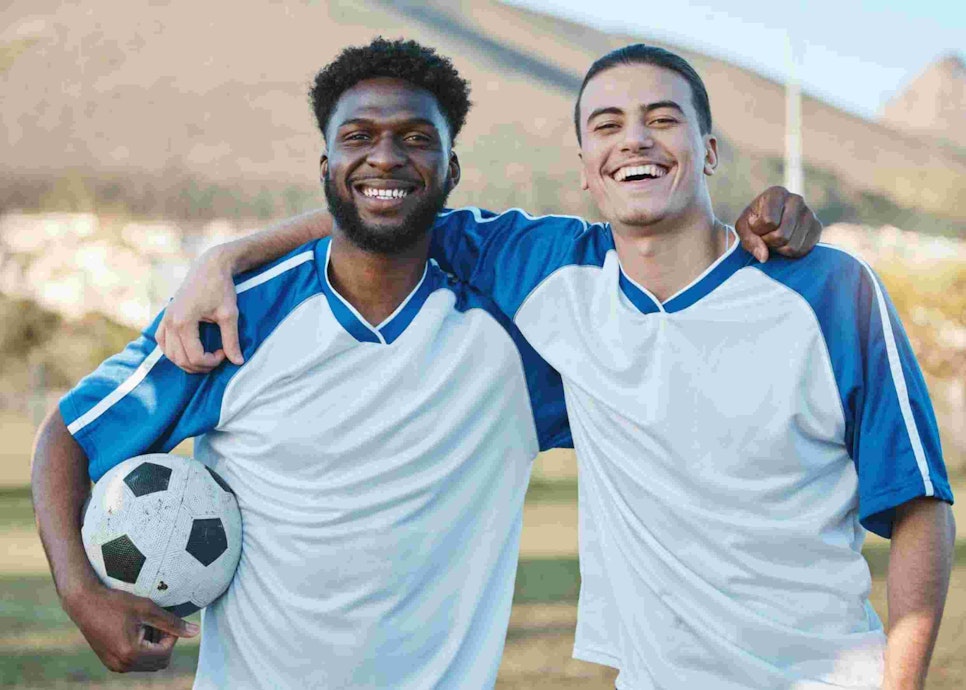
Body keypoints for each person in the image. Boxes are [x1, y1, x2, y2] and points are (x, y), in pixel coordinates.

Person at [164, 44, 955, 689]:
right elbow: (387, 200)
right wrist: (230, 253)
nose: (635, 139)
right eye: (608, 124)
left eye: (662, 119)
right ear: (585, 165)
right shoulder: (547, 272)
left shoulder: (828, 289)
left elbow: (918, 504)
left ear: (708, 151)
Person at [33, 39, 576, 689]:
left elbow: (667, 367)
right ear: (326, 165)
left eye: (415, 137)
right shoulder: (239, 315)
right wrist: (79, 593)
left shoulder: (516, 334)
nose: (385, 154)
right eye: (359, 135)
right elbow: (69, 434)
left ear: (451, 168)